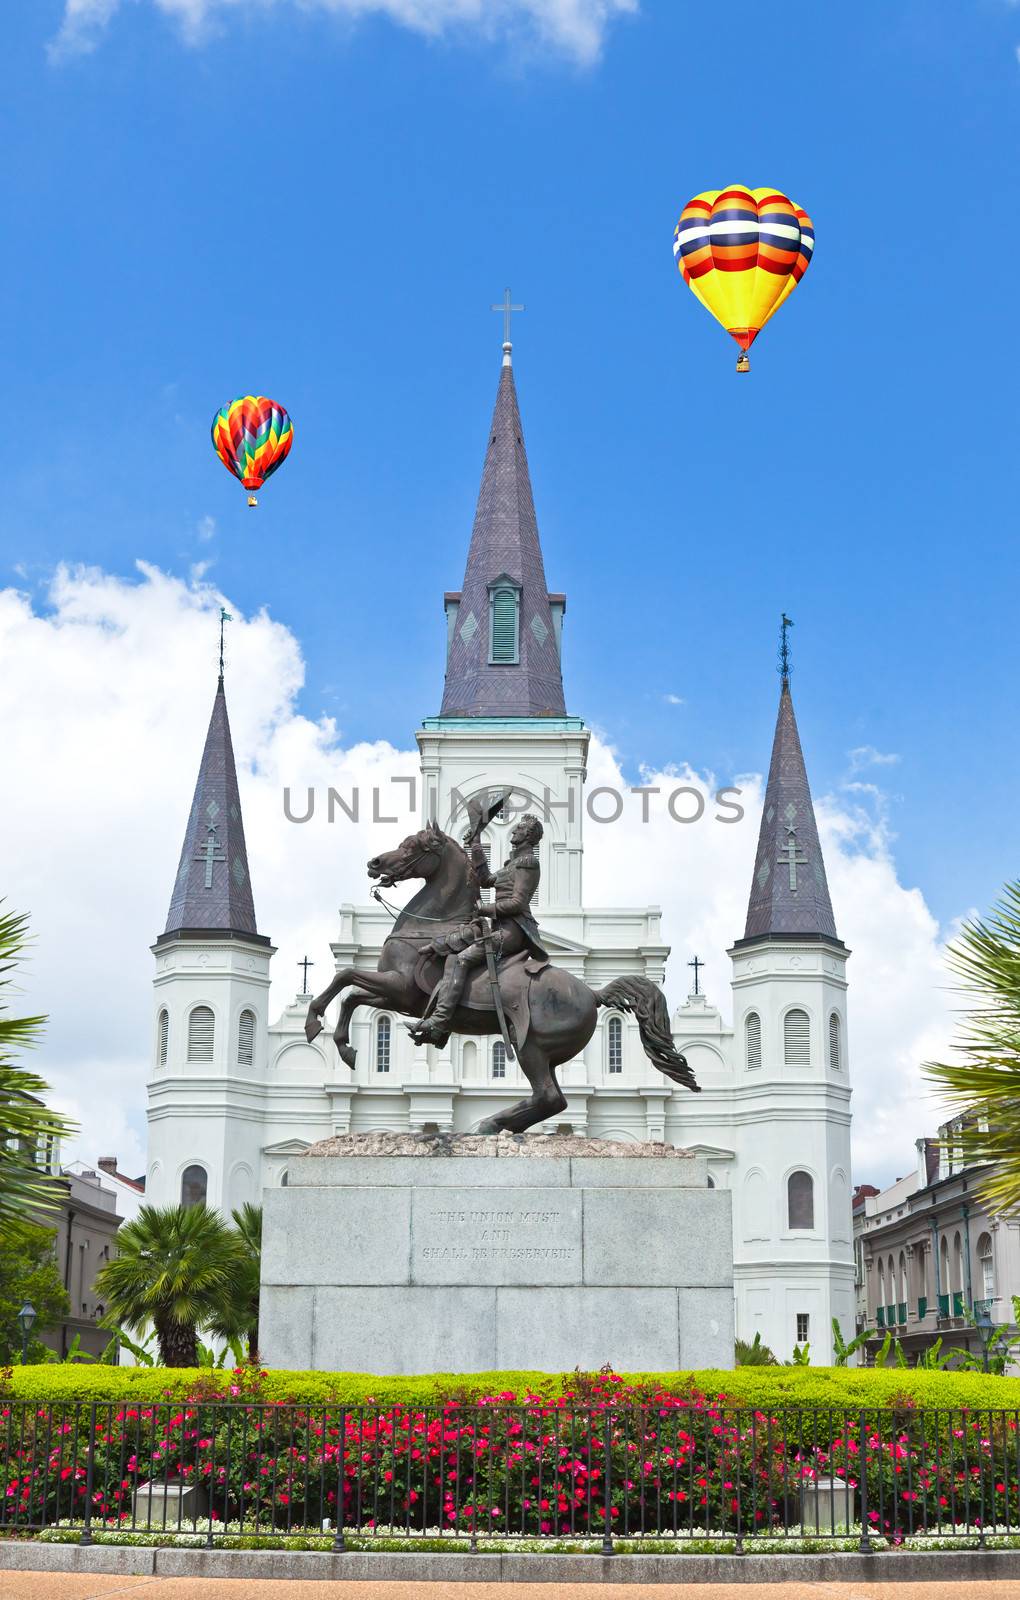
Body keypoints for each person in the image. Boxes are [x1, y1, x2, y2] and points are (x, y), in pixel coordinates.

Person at [408, 813, 547, 1048]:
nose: (514, 831)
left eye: (520, 829)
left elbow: (518, 904)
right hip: (498, 927)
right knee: (455, 944)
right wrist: (475, 842)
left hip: (512, 931)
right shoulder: (512, 864)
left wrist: (484, 908)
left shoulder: (528, 863)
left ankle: (439, 1021)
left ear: (529, 836)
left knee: (460, 959)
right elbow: (485, 880)